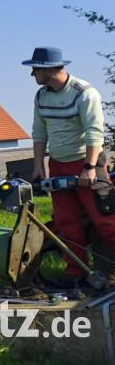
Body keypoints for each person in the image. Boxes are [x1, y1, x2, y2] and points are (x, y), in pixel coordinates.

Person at [25, 46, 115, 286]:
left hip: (88, 163)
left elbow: (94, 134)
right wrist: (38, 165)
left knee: (106, 221)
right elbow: (39, 132)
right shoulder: (41, 96)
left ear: (48, 69)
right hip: (58, 165)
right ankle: (77, 274)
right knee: (67, 224)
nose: (32, 74)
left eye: (35, 69)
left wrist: (89, 167)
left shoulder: (84, 93)